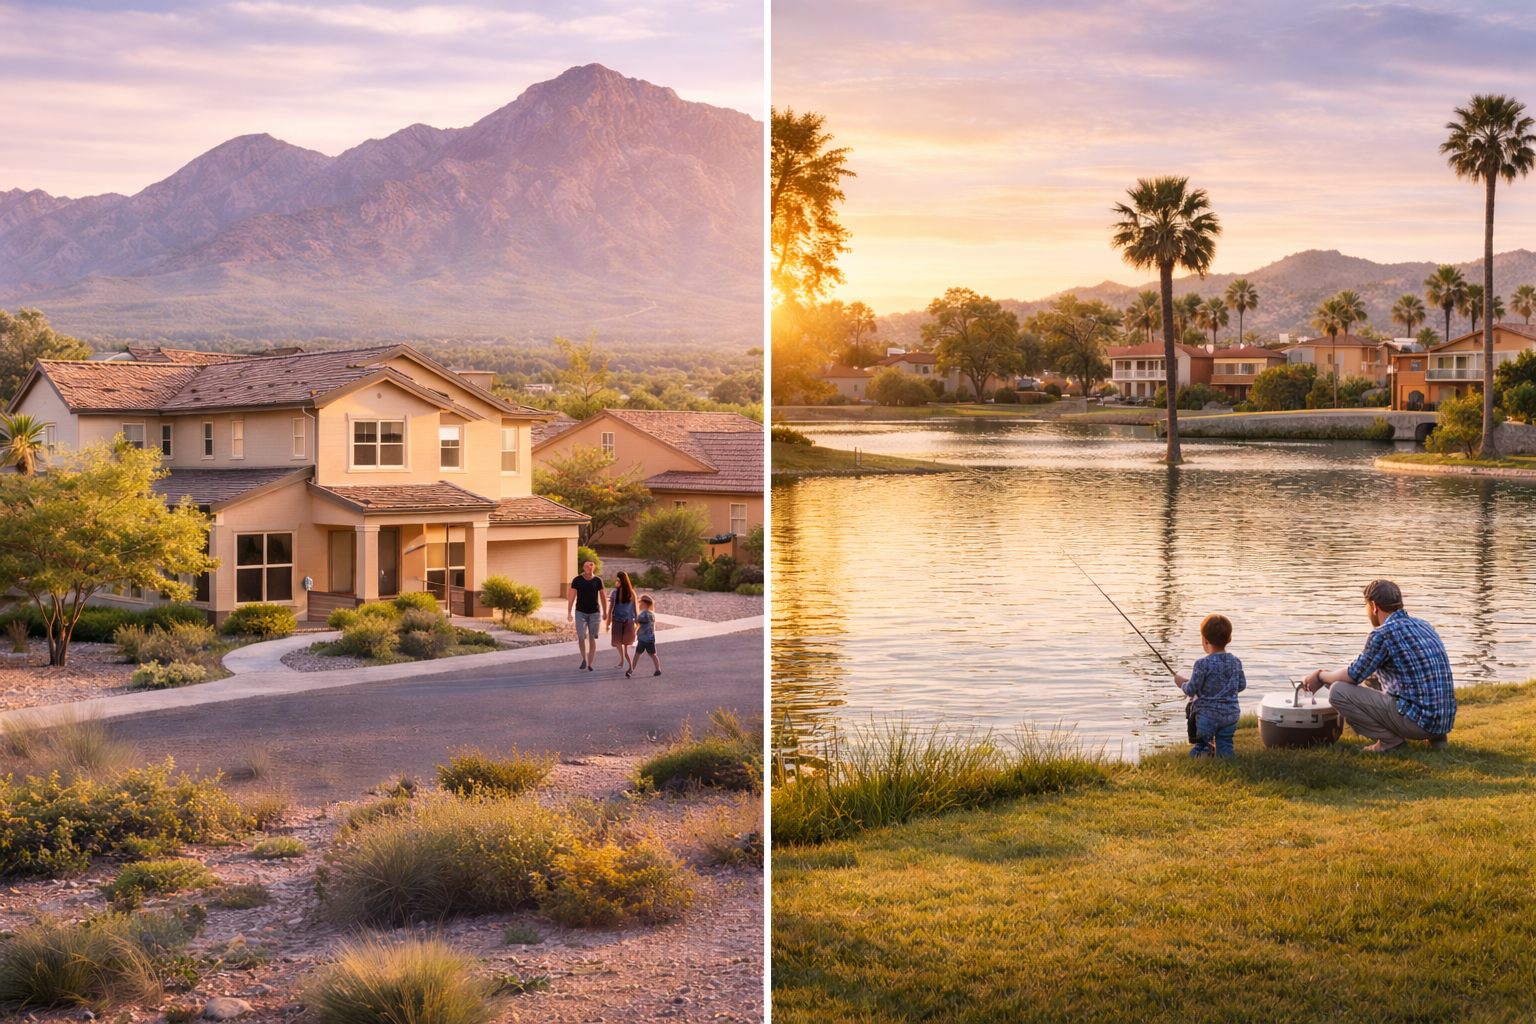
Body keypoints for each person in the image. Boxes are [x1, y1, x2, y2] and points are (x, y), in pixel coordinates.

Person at [1302, 579, 1454, 752]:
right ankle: (1437, 740)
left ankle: (1390, 742)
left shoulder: (1382, 634)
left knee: (1338, 691)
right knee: (1373, 679)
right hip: (1443, 721)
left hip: (1418, 723)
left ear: (1374, 606)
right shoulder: (1424, 625)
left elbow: (1353, 675)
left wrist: (1321, 676)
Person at [1174, 613, 1246, 758]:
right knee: (1225, 743)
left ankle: (1199, 762)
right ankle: (1226, 765)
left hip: (1207, 717)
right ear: (1229, 638)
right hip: (1230, 715)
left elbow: (1191, 689)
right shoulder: (1235, 662)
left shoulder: (1201, 664)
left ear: (1205, 641)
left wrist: (1181, 683)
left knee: (1202, 745)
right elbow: (1242, 685)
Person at [566, 560, 608, 672]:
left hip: (594, 612)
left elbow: (603, 596)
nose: (589, 568)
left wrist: (605, 611)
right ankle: (584, 659)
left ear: (593, 568)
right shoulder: (577, 580)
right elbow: (572, 596)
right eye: (587, 566)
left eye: (591, 566)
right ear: (584, 568)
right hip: (580, 612)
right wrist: (569, 611)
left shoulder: (598, 580)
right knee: (581, 636)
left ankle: (590, 663)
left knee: (592, 637)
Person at [608, 570, 638, 672]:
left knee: (623, 645)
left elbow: (635, 609)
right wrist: (608, 621)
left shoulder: (621, 593)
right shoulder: (629, 593)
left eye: (618, 580)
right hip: (626, 621)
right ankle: (623, 661)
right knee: (620, 644)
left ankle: (630, 666)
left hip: (622, 621)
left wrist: (637, 624)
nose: (616, 582)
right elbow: (611, 608)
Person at [634, 594, 661, 677]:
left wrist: (635, 617)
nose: (639, 605)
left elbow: (639, 621)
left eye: (640, 603)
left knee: (638, 654)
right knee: (652, 654)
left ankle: (631, 669)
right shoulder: (651, 614)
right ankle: (658, 669)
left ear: (644, 604)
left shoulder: (645, 614)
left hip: (644, 639)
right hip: (650, 638)